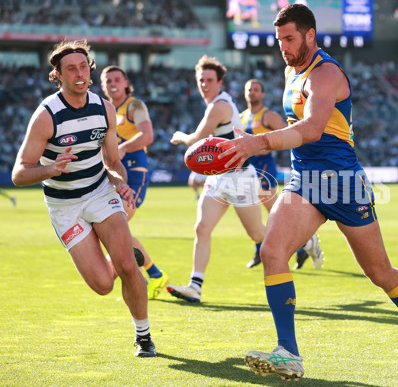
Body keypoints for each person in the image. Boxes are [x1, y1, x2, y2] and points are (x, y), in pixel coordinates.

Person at [218, 4, 398, 380]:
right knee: (272, 251)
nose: (282, 46)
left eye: (290, 38)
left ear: (310, 35)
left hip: (344, 183)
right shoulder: (291, 70)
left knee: (379, 273)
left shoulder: (326, 72)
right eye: (279, 39)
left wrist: (259, 143)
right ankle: (289, 352)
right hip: (305, 181)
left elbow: (314, 128)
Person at [11, 40, 156, 357]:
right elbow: (19, 174)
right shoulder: (47, 116)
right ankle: (121, 253)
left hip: (100, 193)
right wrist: (50, 169)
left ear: (90, 70)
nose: (79, 74)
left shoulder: (105, 109)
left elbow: (113, 162)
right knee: (104, 284)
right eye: (71, 69)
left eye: (83, 67)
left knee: (129, 269)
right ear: (58, 75)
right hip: (65, 207)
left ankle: (143, 336)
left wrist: (120, 183)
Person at [167, 55, 266, 303]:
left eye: (209, 80)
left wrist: (180, 135)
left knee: (257, 235)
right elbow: (214, 149)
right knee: (202, 228)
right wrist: (202, 171)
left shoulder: (218, 106)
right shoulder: (216, 104)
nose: (204, 84)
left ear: (219, 82)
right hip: (221, 178)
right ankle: (195, 286)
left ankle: (303, 243)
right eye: (201, 80)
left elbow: (198, 139)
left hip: (241, 178)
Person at [100, 65, 169, 300]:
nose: (112, 83)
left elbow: (147, 136)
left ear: (126, 82)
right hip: (112, 174)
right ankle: (155, 274)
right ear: (102, 86)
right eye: (107, 80)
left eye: (117, 79)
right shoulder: (104, 109)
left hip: (133, 173)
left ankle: (148, 274)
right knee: (115, 230)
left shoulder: (135, 105)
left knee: (114, 227)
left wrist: (119, 149)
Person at [241, 78, 323, 270]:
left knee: (274, 214)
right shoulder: (242, 116)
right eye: (249, 89)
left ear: (262, 94)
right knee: (251, 214)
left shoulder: (267, 115)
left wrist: (266, 148)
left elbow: (287, 134)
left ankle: (305, 243)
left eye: (256, 89)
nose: (252, 92)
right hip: (246, 171)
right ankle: (262, 250)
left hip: (263, 168)